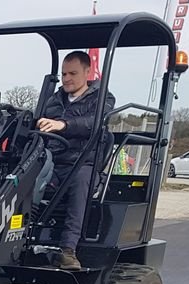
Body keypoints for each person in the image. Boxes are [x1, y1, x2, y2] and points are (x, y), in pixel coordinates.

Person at [37, 50, 112, 271]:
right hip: (53, 162)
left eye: (73, 73)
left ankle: (68, 250)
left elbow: (93, 123)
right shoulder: (53, 100)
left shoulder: (102, 98)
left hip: (83, 162)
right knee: (22, 176)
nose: (67, 78)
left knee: (80, 181)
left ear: (88, 72)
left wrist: (64, 125)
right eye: (64, 74)